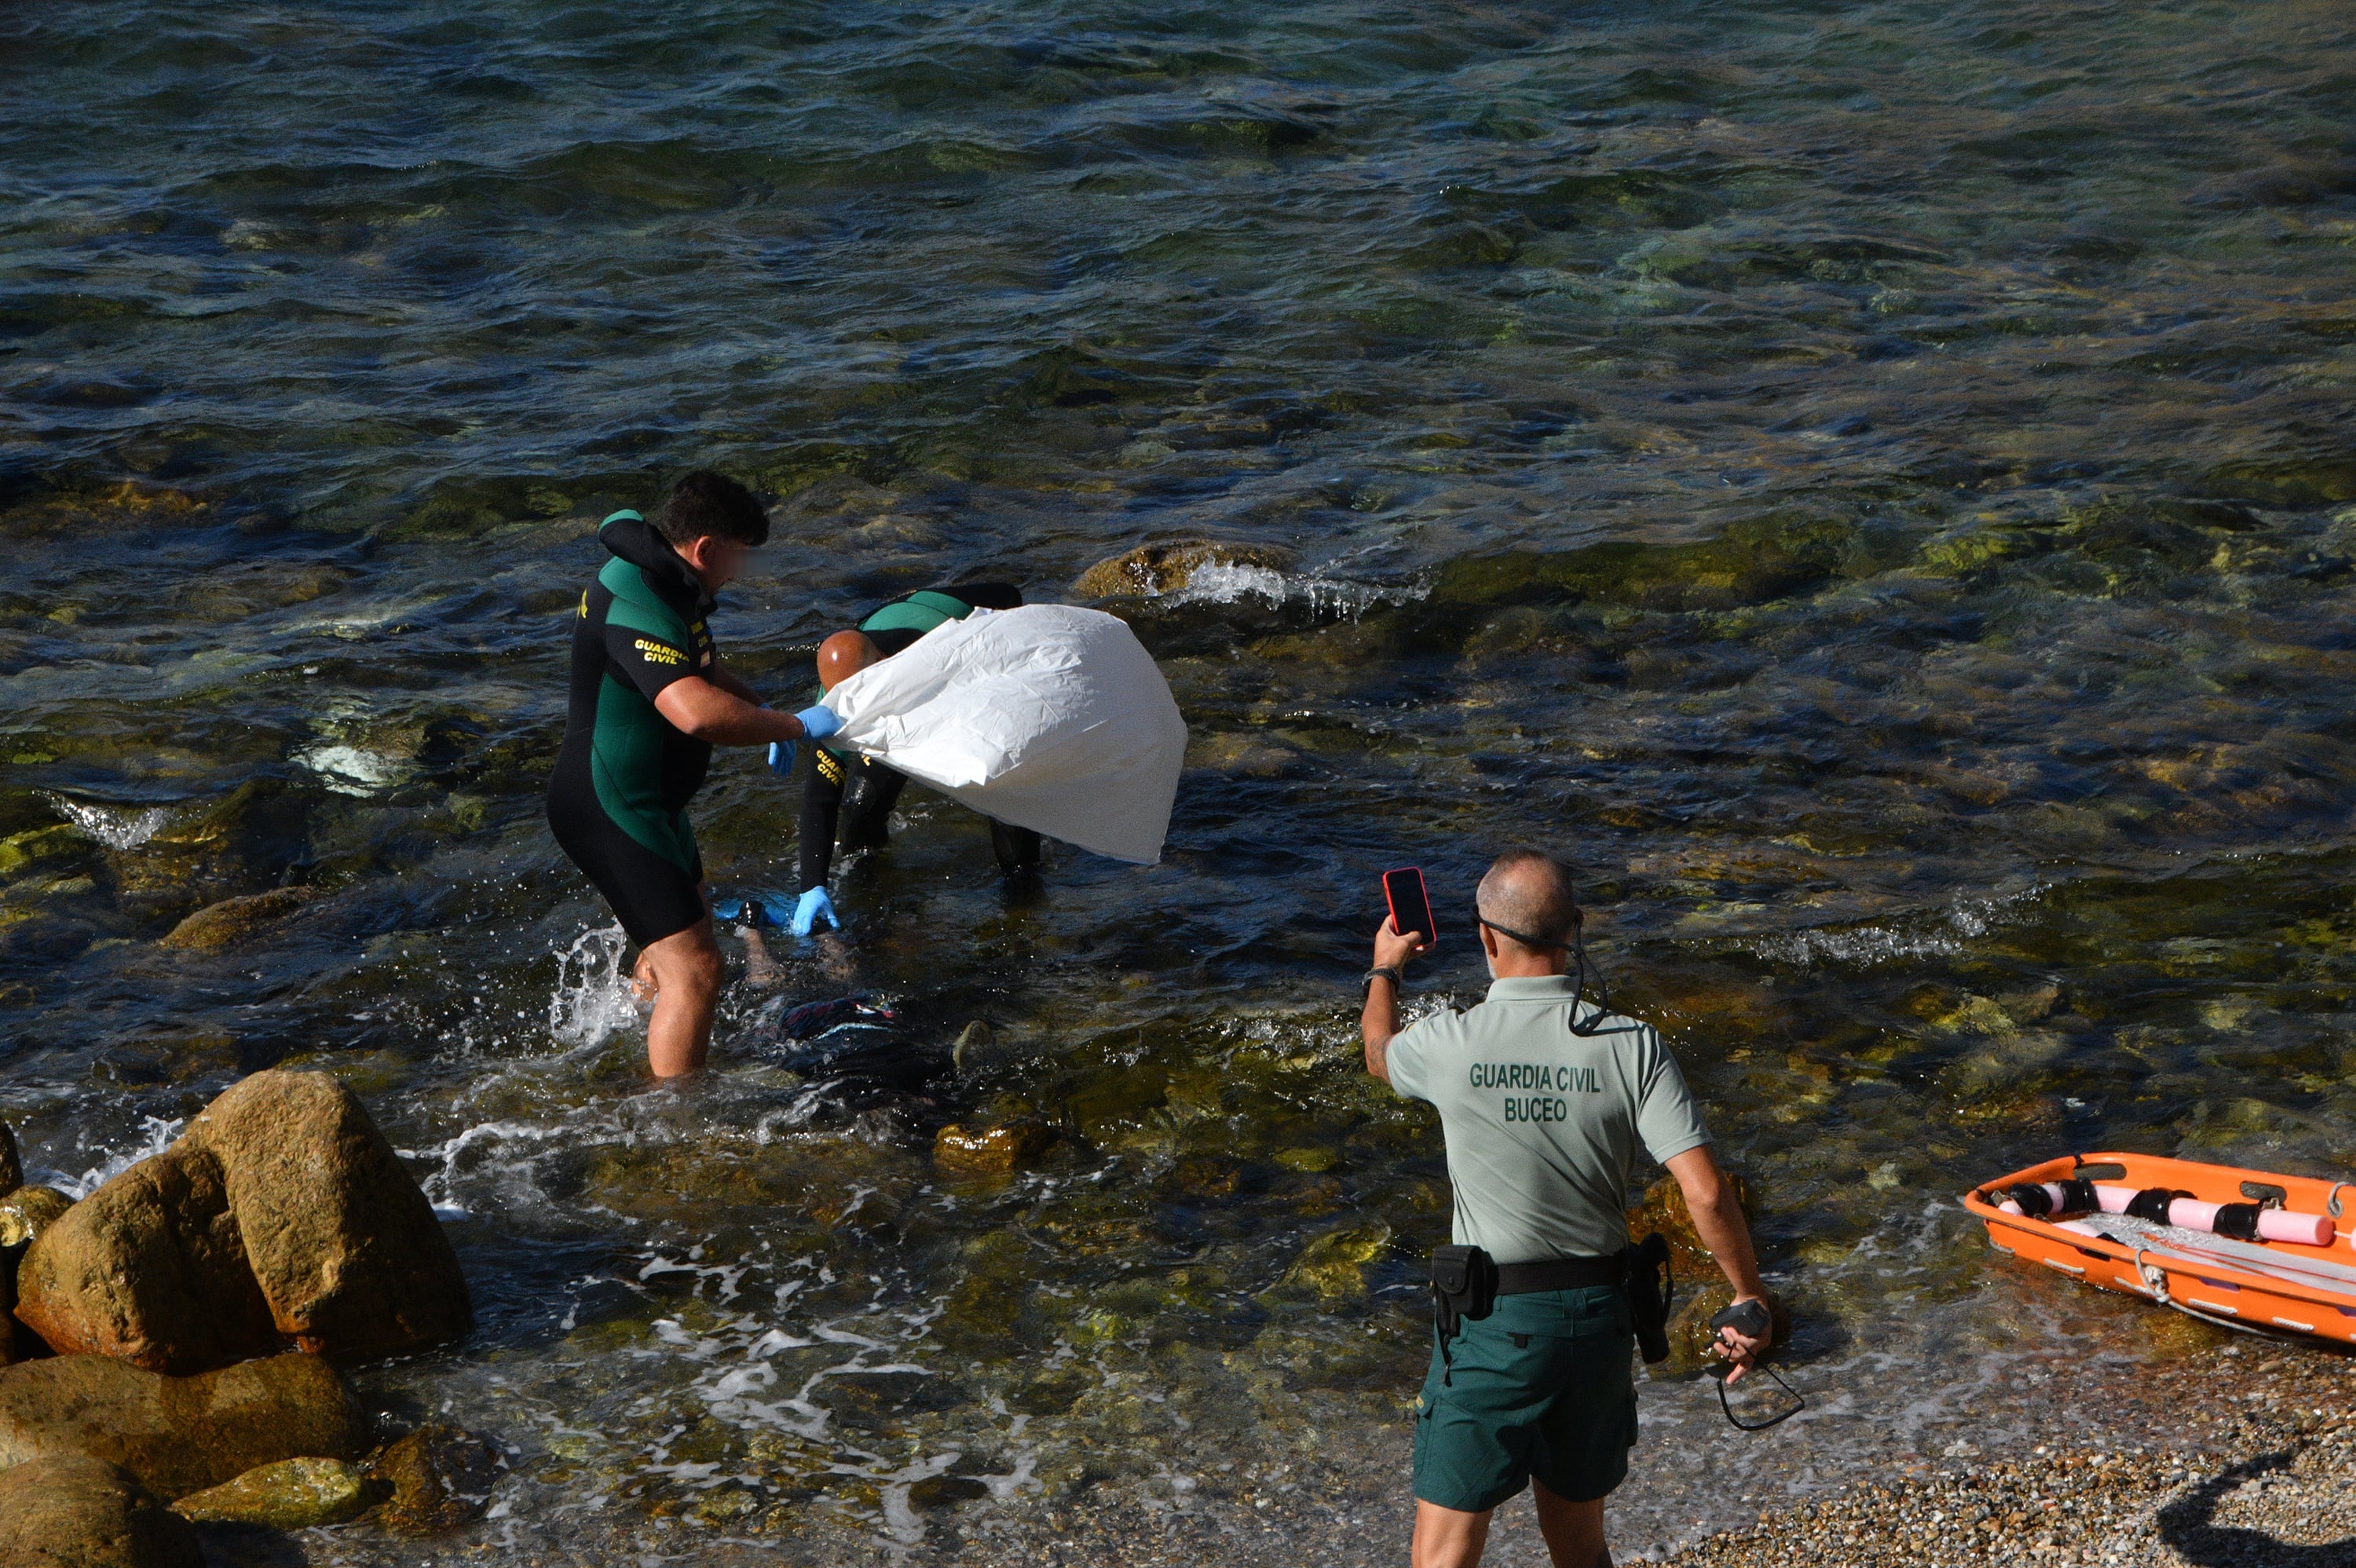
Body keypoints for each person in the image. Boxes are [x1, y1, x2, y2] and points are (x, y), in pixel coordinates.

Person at [1361, 850, 1772, 1568]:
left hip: (1493, 1326)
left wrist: (1385, 969)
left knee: (1443, 1554)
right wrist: (1747, 1296)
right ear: (1576, 930)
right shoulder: (1630, 1043)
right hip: (1598, 1321)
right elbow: (1705, 1191)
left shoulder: (1448, 1043)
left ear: (1486, 938)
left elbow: (1378, 1052)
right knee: (1580, 1546)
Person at [546, 470, 840, 1079]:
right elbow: (693, 710)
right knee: (699, 970)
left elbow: (700, 665)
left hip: (650, 802)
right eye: (739, 558)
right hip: (613, 803)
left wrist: (760, 709)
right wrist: (791, 725)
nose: (740, 573)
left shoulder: (668, 580)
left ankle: (635, 1048)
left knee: (680, 936)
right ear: (706, 547)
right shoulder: (637, 597)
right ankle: (676, 1126)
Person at [785, 583, 1042, 935]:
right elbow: (819, 799)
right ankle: (875, 891)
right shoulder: (835, 701)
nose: (851, 707)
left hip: (960, 660)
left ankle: (1023, 898)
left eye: (857, 696)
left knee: (997, 778)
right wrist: (812, 886)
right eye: (843, 700)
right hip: (895, 633)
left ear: (881, 665)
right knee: (860, 805)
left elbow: (1009, 594)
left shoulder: (939, 653)